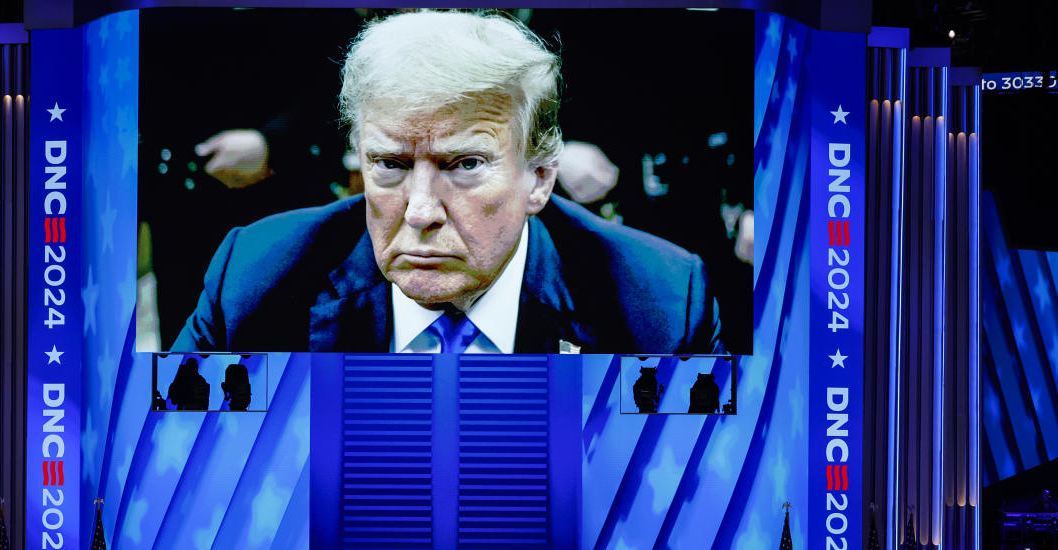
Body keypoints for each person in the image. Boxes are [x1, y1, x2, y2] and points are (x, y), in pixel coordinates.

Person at [174, 10, 720, 355]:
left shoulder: (658, 304)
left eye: (464, 166)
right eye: (389, 164)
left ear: (539, 179)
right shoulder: (256, 277)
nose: (419, 211)